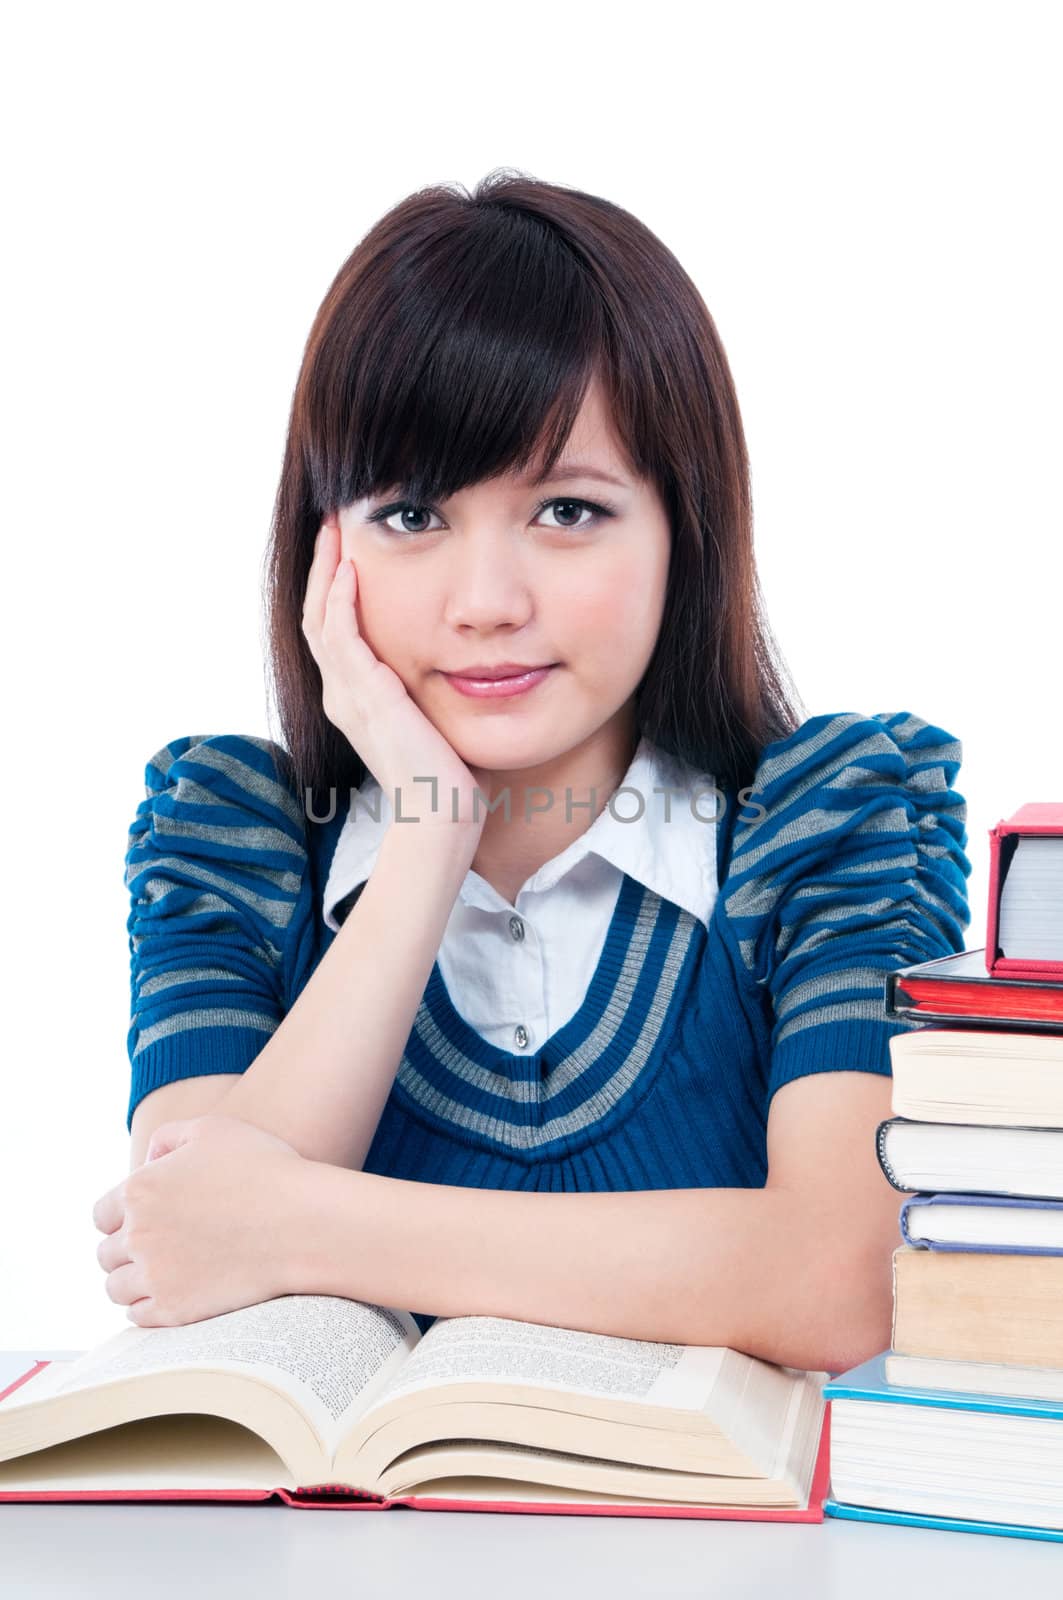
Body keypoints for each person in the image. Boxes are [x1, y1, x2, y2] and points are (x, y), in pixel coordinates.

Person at [93, 170, 971, 1366]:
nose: (488, 605)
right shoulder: (233, 847)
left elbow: (839, 1281)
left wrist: (301, 1219)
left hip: (728, 1558)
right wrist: (426, 834)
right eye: (410, 515)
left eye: (566, 510)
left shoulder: (826, 828)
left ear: (685, 530)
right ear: (321, 545)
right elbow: (192, 1248)